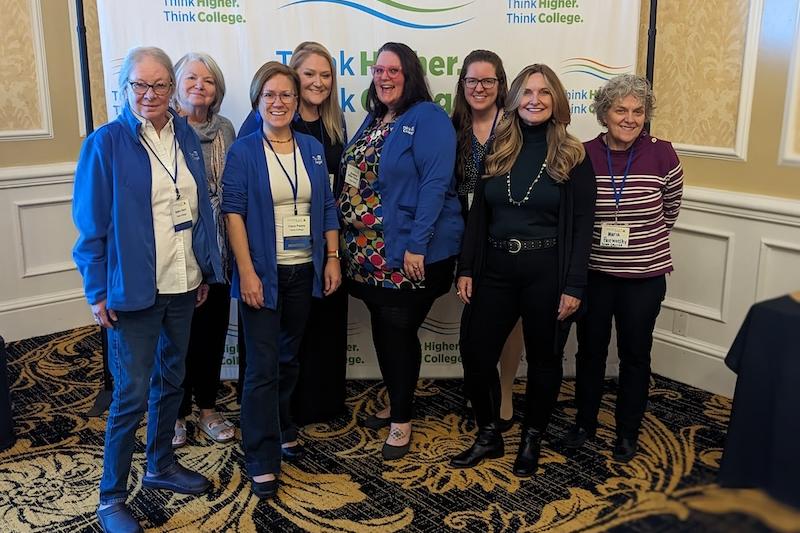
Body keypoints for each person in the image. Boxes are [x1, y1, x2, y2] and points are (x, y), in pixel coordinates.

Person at [72, 46, 222, 533]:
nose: (150, 94)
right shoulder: (106, 143)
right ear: (125, 88)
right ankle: (110, 497)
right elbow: (90, 228)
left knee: (171, 381)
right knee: (131, 394)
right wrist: (98, 292)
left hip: (183, 283)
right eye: (140, 85)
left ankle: (160, 465)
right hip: (133, 292)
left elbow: (196, 208)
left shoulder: (183, 134)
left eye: (159, 85)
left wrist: (200, 268)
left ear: (171, 88)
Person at [450, 64, 596, 477]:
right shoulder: (498, 149)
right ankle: (488, 434)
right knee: (475, 352)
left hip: (546, 272)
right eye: (527, 91)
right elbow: (480, 214)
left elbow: (583, 226)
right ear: (513, 99)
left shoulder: (573, 155)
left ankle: (532, 436)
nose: (535, 99)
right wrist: (467, 268)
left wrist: (574, 284)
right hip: (494, 267)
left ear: (557, 100)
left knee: (545, 358)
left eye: (544, 92)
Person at [221, 61, 341, 499]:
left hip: (303, 270)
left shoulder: (311, 148)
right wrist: (248, 272)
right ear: (257, 101)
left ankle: (283, 423)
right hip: (263, 276)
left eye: (286, 95)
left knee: (290, 358)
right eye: (269, 95)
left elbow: (326, 204)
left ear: (297, 101)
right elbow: (232, 212)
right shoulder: (245, 150)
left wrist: (331, 257)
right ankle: (261, 454)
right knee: (262, 368)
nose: (278, 102)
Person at [340, 42, 463, 460]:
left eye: (393, 70)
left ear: (410, 75)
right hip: (370, 255)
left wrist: (417, 246)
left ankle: (402, 420)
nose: (384, 77)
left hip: (410, 253)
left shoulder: (427, 117)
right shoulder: (376, 118)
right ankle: (397, 403)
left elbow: (434, 184)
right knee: (385, 328)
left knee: (397, 332)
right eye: (378, 70)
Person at [564, 74, 683, 462]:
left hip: (644, 279)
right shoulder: (583, 154)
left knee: (635, 354)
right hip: (595, 277)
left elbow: (670, 211)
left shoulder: (663, 153)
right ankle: (585, 422)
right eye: (621, 110)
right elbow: (577, 216)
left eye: (638, 111)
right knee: (590, 352)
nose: (630, 118)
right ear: (604, 113)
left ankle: (627, 431)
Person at [451, 49, 521, 433]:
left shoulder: (515, 127)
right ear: (462, 85)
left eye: (488, 81)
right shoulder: (454, 127)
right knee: (475, 315)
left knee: (510, 320)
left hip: (505, 236)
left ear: (500, 84)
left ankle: (506, 391)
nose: (479, 88)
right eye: (472, 81)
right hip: (464, 233)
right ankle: (479, 384)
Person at [171, 52, 236, 448]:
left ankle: (208, 410)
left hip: (222, 249)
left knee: (211, 333)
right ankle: (176, 413)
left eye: (208, 80)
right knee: (177, 337)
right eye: (191, 77)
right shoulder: (164, 129)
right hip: (178, 247)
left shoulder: (226, 129)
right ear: (176, 83)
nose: (200, 86)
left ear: (217, 90)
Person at [288, 42, 349, 425]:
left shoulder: (334, 122)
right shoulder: (277, 117)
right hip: (290, 243)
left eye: (325, 75)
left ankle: (324, 404)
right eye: (309, 74)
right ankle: (292, 407)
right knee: (296, 326)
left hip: (328, 237)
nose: (318, 82)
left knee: (326, 320)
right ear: (294, 76)